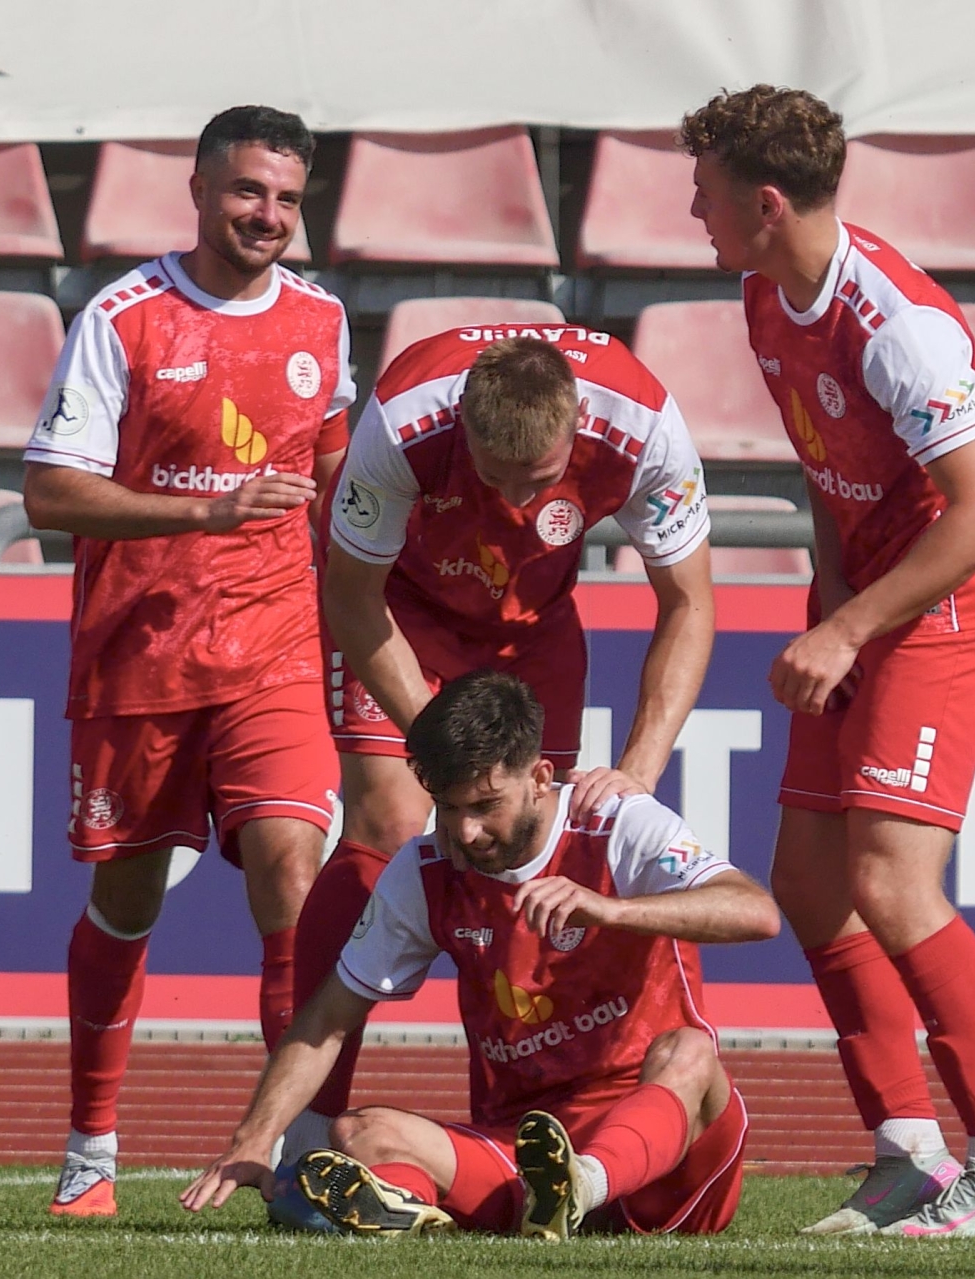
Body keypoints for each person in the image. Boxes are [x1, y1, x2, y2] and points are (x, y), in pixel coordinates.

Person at [682, 85, 975, 1239]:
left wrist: (850, 627)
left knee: (892, 881)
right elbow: (824, 463)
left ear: (767, 203)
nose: (692, 212)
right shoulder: (763, 291)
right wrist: (834, 594)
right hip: (861, 598)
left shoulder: (899, 326)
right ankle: (909, 1152)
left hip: (950, 605)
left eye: (705, 193)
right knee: (808, 882)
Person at [21, 105, 353, 1218]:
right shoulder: (124, 318)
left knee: (293, 878)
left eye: (287, 199)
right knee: (126, 902)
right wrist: (207, 511)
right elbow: (50, 491)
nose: (267, 215)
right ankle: (91, 1148)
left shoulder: (321, 318)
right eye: (248, 191)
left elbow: (338, 477)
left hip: (276, 648)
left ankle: (299, 1154)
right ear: (200, 190)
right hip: (142, 658)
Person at [287, 327, 718, 1156]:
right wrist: (438, 743)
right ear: (463, 426)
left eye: (541, 480)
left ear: (577, 426)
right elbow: (349, 593)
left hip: (535, 627)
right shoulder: (405, 418)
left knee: (533, 843)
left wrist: (636, 771)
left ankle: (549, 1116)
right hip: (404, 612)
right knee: (386, 821)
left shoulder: (643, 423)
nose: (519, 503)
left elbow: (690, 602)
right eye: (495, 478)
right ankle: (304, 1131)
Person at [181, 670, 778, 1239]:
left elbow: (756, 913)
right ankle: (412, 1213)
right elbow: (326, 1020)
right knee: (360, 1133)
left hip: (666, 1162)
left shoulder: (616, 825)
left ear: (540, 777)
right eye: (449, 806)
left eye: (485, 805)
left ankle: (583, 1184)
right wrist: (254, 1139)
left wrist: (611, 910)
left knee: (690, 1052)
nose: (465, 832)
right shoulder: (426, 869)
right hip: (526, 1155)